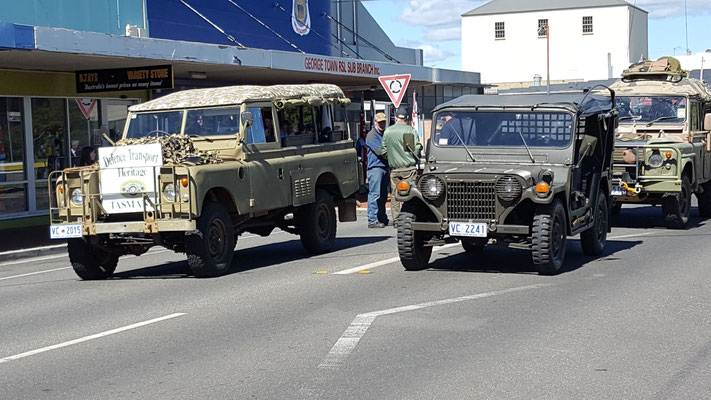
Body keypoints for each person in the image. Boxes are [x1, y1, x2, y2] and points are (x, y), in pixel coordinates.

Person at [381, 105, 422, 225]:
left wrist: (393, 158)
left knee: (394, 195)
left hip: (394, 169)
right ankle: (409, 218)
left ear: (396, 118)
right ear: (407, 118)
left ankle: (396, 219)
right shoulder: (409, 131)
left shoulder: (388, 131)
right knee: (411, 194)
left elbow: (383, 151)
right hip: (409, 168)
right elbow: (414, 149)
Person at [364, 112, 390, 228]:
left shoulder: (385, 134)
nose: (382, 124)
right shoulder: (371, 135)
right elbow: (380, 151)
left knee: (383, 195)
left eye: (383, 122)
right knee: (375, 194)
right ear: (375, 122)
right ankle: (372, 219)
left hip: (385, 167)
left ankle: (382, 217)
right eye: (380, 122)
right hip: (375, 168)